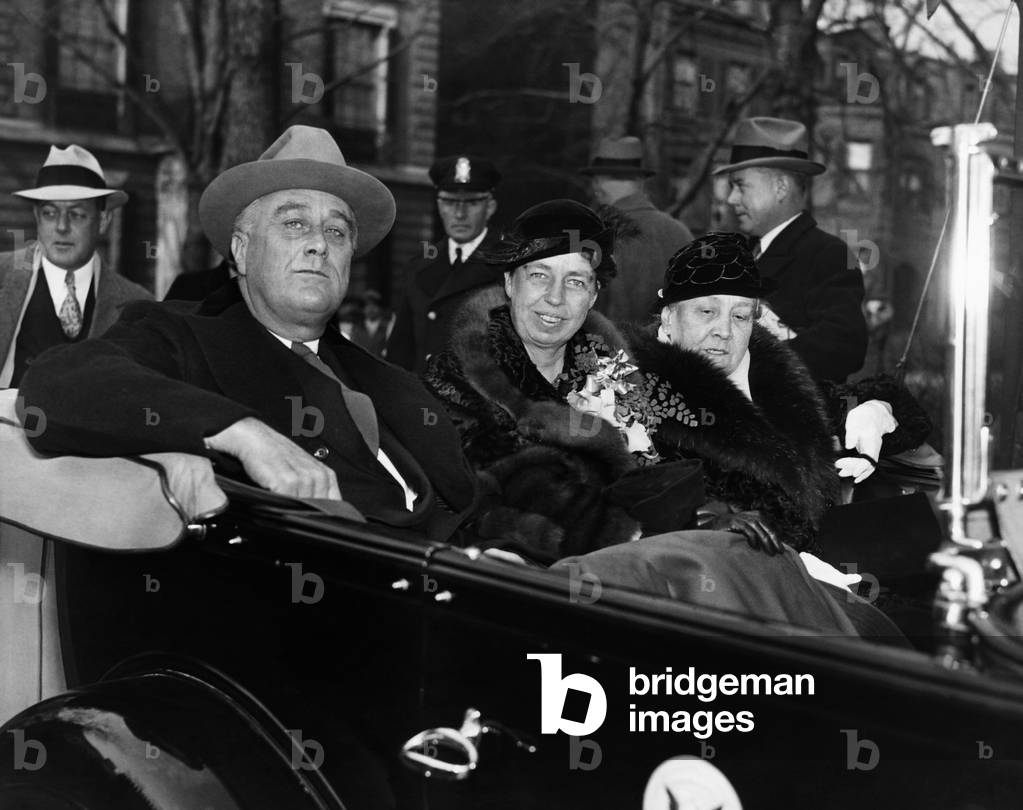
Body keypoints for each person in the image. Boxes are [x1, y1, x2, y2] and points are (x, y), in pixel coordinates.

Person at [20, 125, 478, 543]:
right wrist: (241, 431)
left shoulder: (388, 380)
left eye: (337, 231)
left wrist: (515, 550)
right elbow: (57, 386)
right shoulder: (179, 335)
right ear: (240, 249)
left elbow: (470, 501)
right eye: (294, 223)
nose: (319, 242)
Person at [626, 233, 931, 554]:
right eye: (707, 312)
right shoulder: (627, 396)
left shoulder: (776, 381)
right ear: (668, 317)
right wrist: (700, 525)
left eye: (740, 315)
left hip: (823, 573)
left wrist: (876, 409)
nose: (724, 331)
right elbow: (627, 508)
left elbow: (897, 414)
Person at [715, 117, 867, 383]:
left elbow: (845, 349)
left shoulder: (828, 255)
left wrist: (767, 346)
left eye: (741, 185)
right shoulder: (739, 255)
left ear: (781, 187)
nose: (732, 199)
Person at [0, 144, 151, 388]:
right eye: (49, 213)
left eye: (77, 214)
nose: (61, 226)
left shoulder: (137, 305)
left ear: (102, 221)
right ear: (37, 218)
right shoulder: (3, 277)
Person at [387, 154, 503, 373]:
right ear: (439, 206)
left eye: (472, 202)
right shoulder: (419, 265)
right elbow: (400, 352)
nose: (460, 214)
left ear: (490, 207)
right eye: (450, 202)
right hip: (423, 399)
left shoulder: (508, 266)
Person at [581, 136, 693, 325]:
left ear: (600, 182)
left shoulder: (596, 237)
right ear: (640, 182)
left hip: (609, 349)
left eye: (595, 179)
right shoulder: (681, 234)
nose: (594, 187)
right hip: (667, 351)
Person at [349, 289, 393, 357]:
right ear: (362, 309)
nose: (371, 309)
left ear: (381, 308)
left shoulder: (388, 326)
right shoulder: (356, 327)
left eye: (374, 305)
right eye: (367, 305)